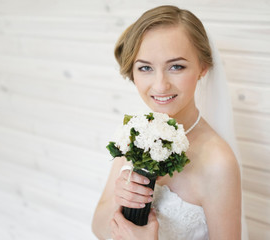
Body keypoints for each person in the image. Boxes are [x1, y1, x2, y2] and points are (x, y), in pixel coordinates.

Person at [92, 5, 245, 240]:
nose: (160, 85)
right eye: (145, 68)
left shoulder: (218, 163)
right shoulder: (135, 135)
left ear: (203, 67)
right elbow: (98, 227)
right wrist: (119, 199)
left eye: (176, 67)